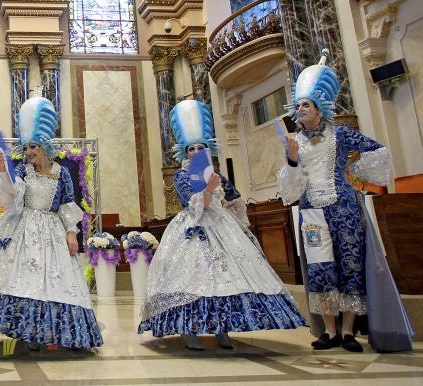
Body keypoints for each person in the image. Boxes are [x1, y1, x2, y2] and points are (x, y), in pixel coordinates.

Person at [138, 99, 305, 350]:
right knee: (193, 279)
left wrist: (235, 218)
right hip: (192, 229)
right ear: (185, 151)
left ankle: (222, 328)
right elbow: (193, 202)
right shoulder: (182, 175)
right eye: (191, 148)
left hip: (222, 228)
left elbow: (235, 199)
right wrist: (209, 189)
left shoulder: (217, 174)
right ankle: (189, 328)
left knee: (226, 277)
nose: (196, 152)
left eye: (201, 147)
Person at [0, 96, 103, 351]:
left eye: (33, 147)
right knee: (23, 280)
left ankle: (53, 331)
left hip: (51, 232)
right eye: (25, 147)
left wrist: (72, 233)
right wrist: (4, 170)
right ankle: (27, 331)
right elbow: (11, 198)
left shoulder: (62, 173)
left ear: (45, 146)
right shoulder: (22, 171)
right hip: (23, 229)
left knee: (53, 283)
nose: (28, 152)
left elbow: (67, 204)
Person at [278, 51, 413, 352]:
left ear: (319, 108)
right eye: (298, 105)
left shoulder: (341, 134)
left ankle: (349, 330)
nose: (299, 109)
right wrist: (291, 160)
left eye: (305, 105)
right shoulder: (294, 143)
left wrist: (351, 172)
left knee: (349, 264)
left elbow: (378, 151)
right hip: (312, 212)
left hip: (344, 208)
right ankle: (329, 330)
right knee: (320, 268)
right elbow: (291, 184)